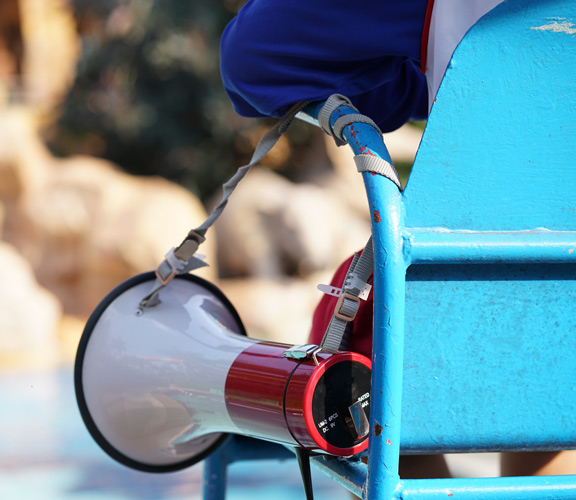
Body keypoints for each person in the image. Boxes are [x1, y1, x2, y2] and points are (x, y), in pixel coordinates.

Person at [219, 0, 576, 479]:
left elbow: (251, 57)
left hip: (469, 308)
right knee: (545, 376)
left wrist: (422, 83)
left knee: (358, 363)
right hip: (555, 327)